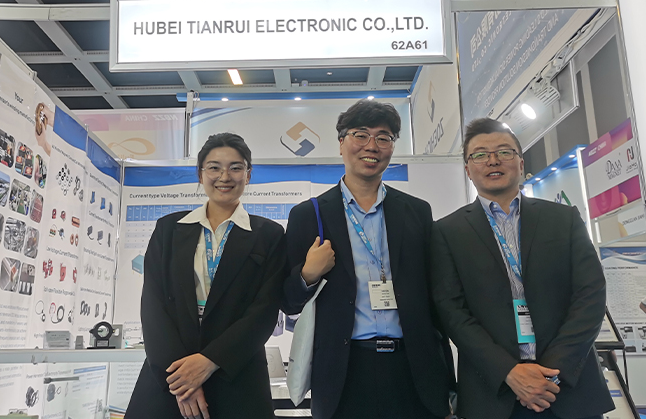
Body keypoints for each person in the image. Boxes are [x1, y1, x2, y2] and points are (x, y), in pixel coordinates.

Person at [283, 99, 455, 419]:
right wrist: (308, 274)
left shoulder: (417, 212)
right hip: (344, 371)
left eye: (383, 137)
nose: (371, 146)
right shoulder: (308, 215)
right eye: (360, 135)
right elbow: (288, 301)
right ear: (341, 143)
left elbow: (435, 300)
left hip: (413, 370)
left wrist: (447, 382)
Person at [431, 118, 613, 419]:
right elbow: (452, 312)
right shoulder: (447, 232)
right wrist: (509, 372)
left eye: (504, 152)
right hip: (494, 394)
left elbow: (591, 294)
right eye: (480, 154)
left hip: (567, 389)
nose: (493, 160)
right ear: (468, 169)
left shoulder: (563, 219)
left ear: (520, 162)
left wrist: (551, 371)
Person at [126, 133, 286, 419]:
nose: (224, 176)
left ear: (248, 175)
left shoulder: (269, 235)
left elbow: (264, 310)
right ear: (200, 174)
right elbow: (153, 305)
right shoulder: (169, 229)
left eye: (235, 167)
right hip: (171, 377)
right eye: (214, 167)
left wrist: (210, 361)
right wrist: (182, 381)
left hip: (237, 372)